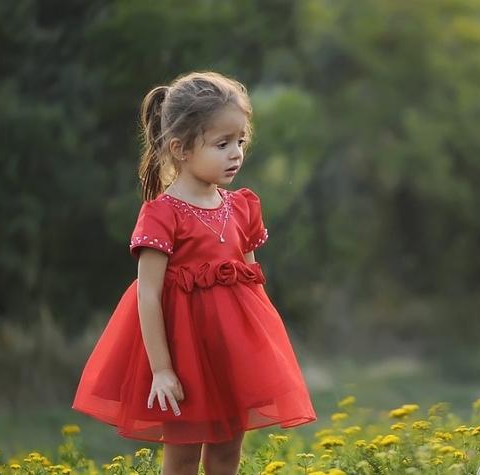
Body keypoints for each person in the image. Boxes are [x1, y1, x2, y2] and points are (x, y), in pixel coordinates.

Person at [73, 71, 316, 475]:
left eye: (240, 141)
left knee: (226, 452)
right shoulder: (162, 213)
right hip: (183, 356)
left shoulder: (242, 207)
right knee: (183, 456)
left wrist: (262, 352)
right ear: (181, 148)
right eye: (222, 144)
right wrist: (162, 369)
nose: (236, 153)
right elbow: (146, 293)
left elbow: (253, 283)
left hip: (230, 352)